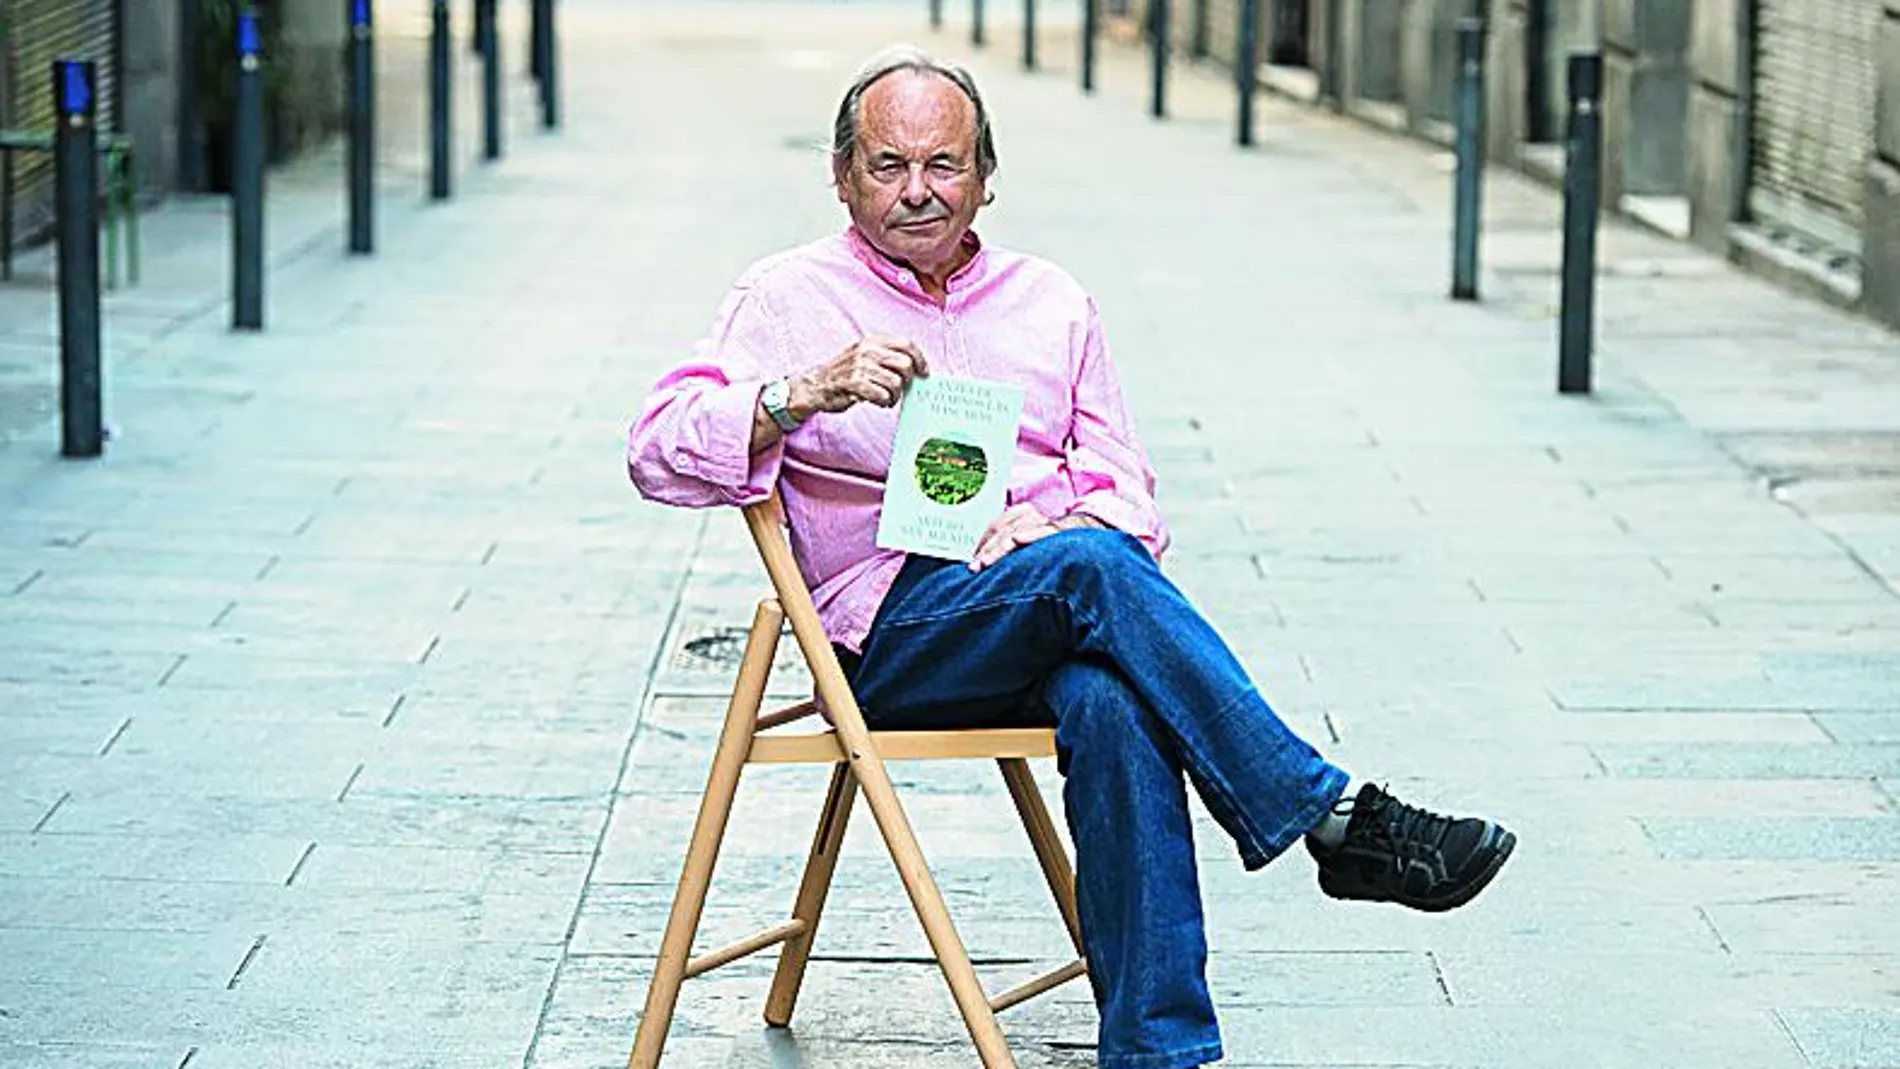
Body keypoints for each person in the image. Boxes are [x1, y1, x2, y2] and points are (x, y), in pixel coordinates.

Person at [627, 44, 1515, 1069]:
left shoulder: (1049, 300)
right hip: (896, 637)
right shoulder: (785, 295)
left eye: (943, 165)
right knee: (1092, 574)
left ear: (986, 176)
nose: (918, 191)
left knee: (1112, 693)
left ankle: (1155, 1051)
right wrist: (801, 392)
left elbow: (1126, 489)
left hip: (1047, 607)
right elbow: (656, 448)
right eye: (887, 166)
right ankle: (1332, 817)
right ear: (842, 176)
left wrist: (1050, 533)